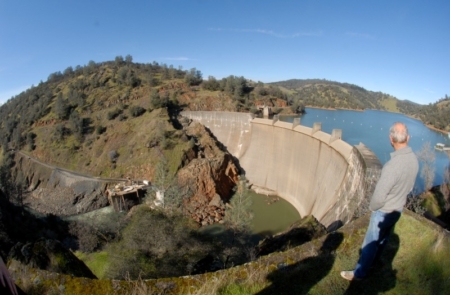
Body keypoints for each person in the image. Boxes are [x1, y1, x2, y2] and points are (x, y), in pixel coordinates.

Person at [341, 122, 419, 281]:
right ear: (408, 138)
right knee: (384, 239)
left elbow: (379, 196)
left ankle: (360, 273)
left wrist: (373, 208)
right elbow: (410, 187)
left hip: (383, 211)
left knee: (370, 243)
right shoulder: (414, 160)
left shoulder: (392, 167)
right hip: (398, 209)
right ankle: (375, 262)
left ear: (391, 139)